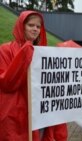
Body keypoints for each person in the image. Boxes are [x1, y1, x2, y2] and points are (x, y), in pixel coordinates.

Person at [0, 10, 67, 141]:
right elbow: (7, 82)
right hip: (14, 113)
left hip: (39, 113)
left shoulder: (44, 52)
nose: (35, 29)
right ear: (21, 26)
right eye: (31, 25)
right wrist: (25, 53)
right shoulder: (5, 50)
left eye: (38, 26)